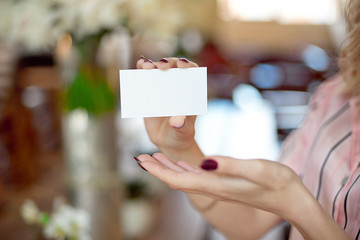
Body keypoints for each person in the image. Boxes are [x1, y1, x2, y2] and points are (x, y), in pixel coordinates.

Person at [134, 0, 360, 239]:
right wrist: (180, 147)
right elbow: (249, 223)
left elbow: (288, 197)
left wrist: (299, 206)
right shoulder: (333, 96)